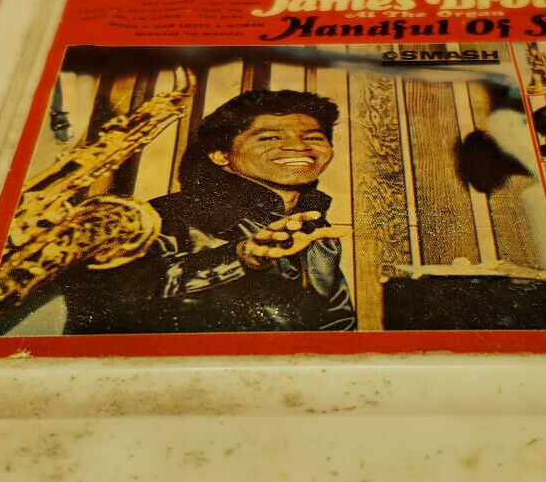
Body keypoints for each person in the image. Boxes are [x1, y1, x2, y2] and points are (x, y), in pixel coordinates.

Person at [57, 89, 356, 334]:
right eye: (269, 137)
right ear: (220, 156)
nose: (298, 147)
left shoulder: (316, 229)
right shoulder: (162, 215)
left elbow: (336, 322)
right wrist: (240, 257)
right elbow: (104, 301)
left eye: (313, 137)